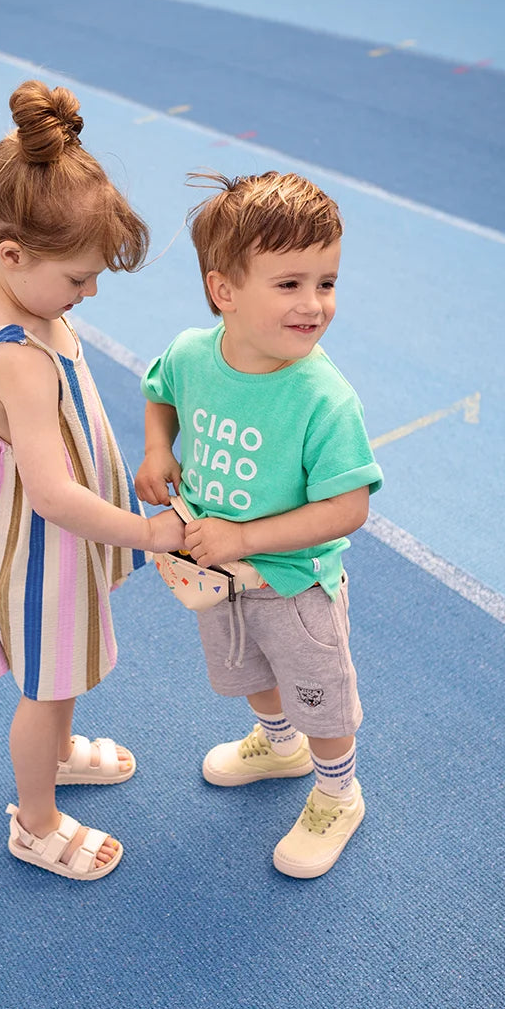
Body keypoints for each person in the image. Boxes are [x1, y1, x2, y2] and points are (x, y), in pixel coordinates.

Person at [0, 80, 183, 882]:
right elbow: (50, 494)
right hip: (36, 542)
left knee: (68, 665)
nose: (87, 295)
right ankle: (36, 819)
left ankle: (55, 756)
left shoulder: (15, 292)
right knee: (47, 685)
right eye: (79, 279)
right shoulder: (14, 353)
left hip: (56, 535)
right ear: (13, 253)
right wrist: (148, 532)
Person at [136, 171, 383, 879]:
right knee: (248, 673)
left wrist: (243, 537)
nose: (315, 305)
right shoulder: (194, 353)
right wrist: (159, 448)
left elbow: (349, 508)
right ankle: (279, 744)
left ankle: (338, 791)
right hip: (217, 577)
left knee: (320, 694)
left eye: (326, 282)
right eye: (290, 284)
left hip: (293, 581)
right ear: (225, 292)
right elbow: (160, 389)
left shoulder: (323, 398)